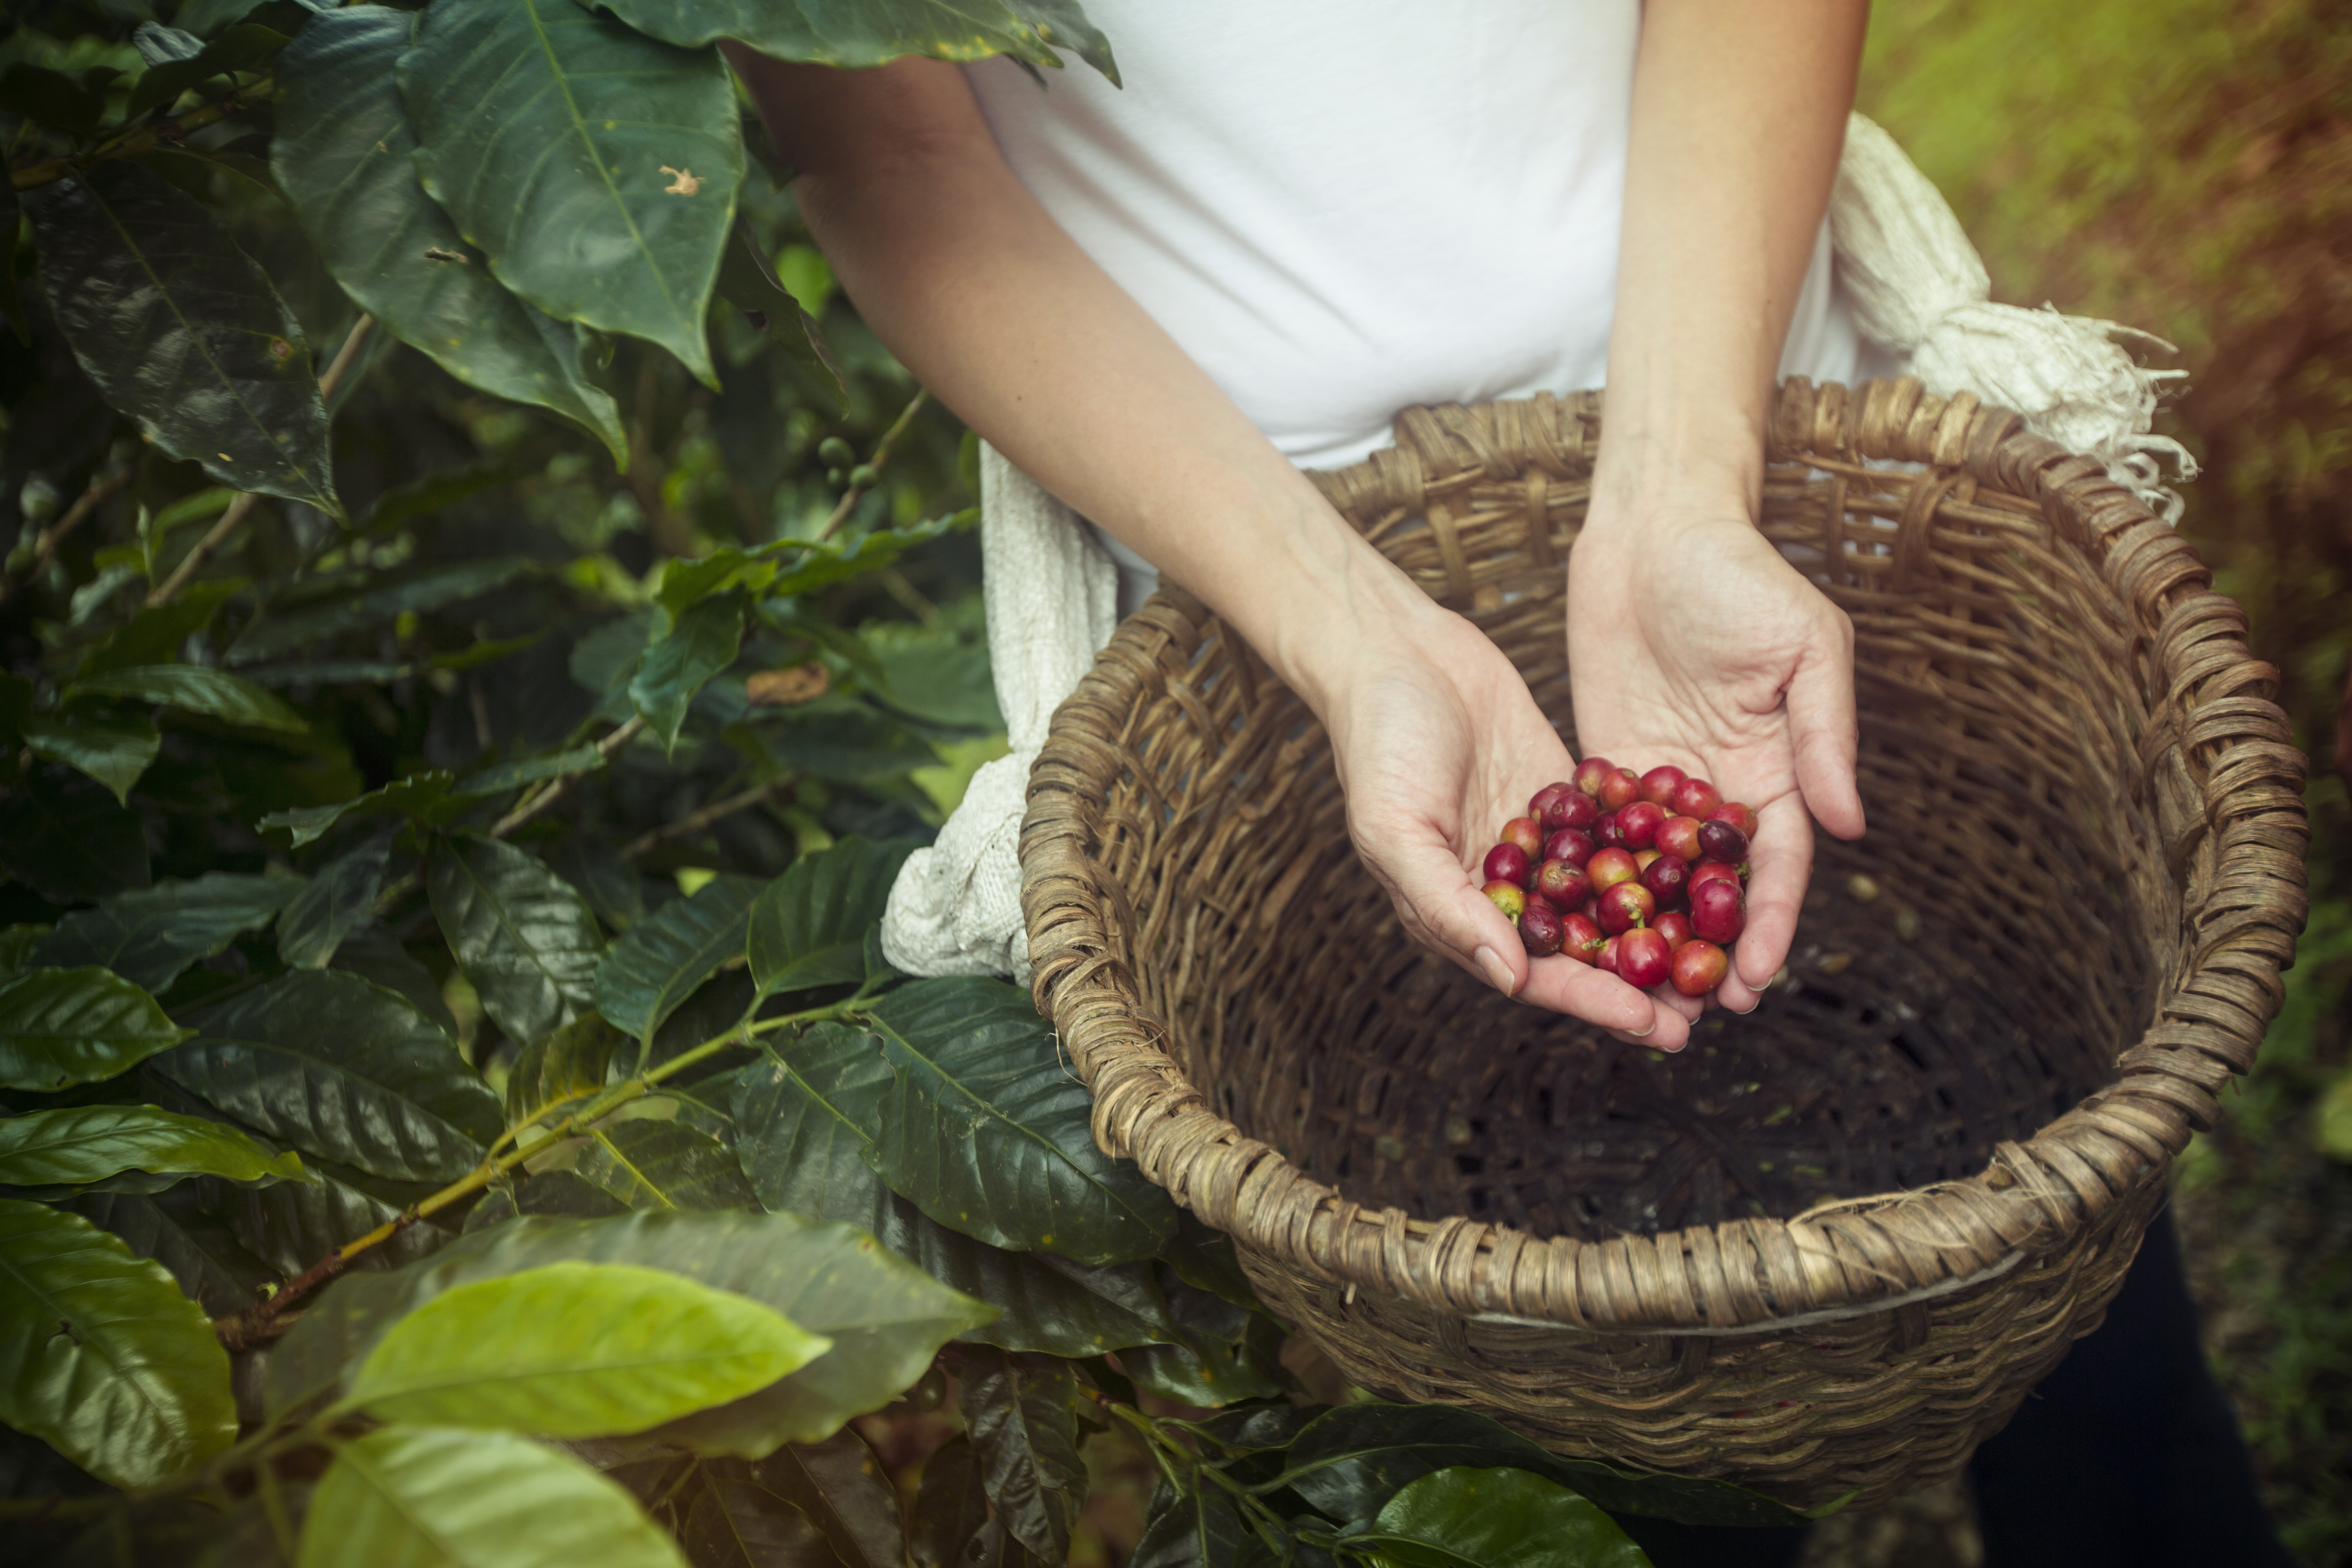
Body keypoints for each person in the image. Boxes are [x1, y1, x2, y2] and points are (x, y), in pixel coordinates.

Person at [729, 7, 2295, 1564]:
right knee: (1598, 1381)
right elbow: (888, 149)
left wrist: (1682, 486)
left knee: (2035, 1136)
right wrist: (1352, 639)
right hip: (1260, 576)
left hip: (1742, 397)